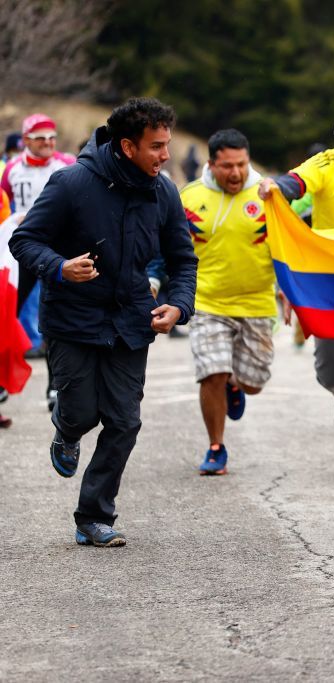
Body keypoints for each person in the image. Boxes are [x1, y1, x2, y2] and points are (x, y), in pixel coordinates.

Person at [9, 97, 197, 547]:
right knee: (79, 412)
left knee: (124, 421)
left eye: (167, 145)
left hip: (132, 320)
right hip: (72, 318)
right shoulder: (71, 183)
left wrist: (178, 304)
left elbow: (182, 258)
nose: (166, 156)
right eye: (156, 147)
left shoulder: (164, 191)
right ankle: (66, 429)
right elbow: (25, 240)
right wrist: (59, 267)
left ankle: (93, 515)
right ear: (128, 146)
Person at [258, 104, 334, 482]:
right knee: (327, 373)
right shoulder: (326, 164)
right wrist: (274, 187)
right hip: (333, 283)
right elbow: (293, 184)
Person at [179, 129, 275, 475]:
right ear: (211, 164)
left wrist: (292, 294)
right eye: (227, 166)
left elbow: (288, 248)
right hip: (207, 302)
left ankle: (238, 385)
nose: (235, 173)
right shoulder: (190, 197)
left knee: (254, 382)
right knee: (211, 373)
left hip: (258, 303)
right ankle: (216, 446)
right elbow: (174, 248)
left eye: (242, 165)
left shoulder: (268, 194)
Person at [3, 115, 77, 380]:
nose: (48, 143)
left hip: (56, 251)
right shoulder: (10, 169)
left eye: (51, 137)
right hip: (22, 249)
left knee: (55, 317)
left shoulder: (67, 164)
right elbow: (3, 203)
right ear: (25, 140)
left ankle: (55, 386)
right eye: (40, 138)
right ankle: (3, 378)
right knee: (7, 312)